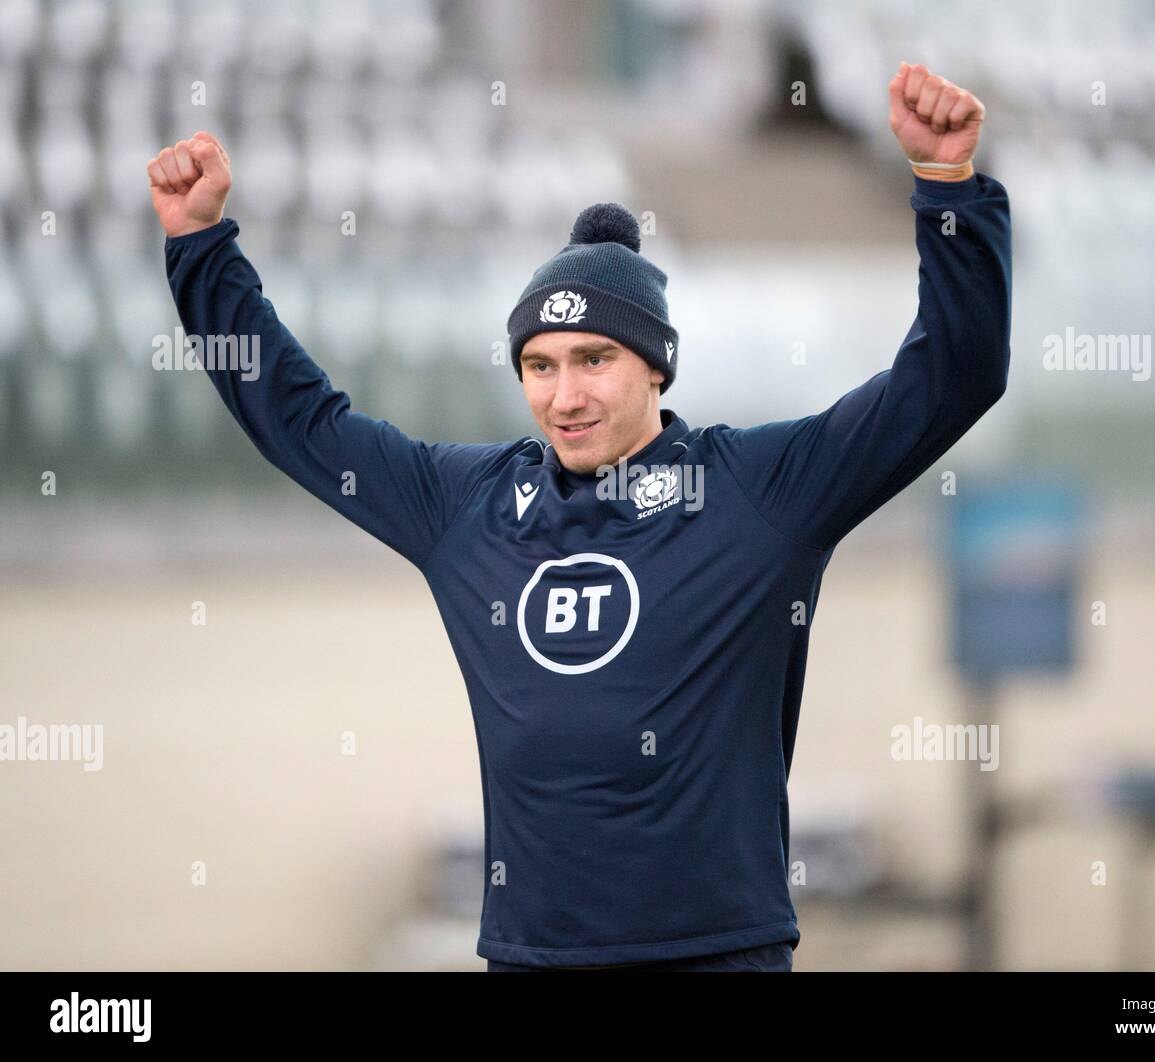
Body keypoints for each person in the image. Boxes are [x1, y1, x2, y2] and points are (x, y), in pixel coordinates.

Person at [149, 61, 1009, 972]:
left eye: (595, 358)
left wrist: (946, 188)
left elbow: (952, 377)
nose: (565, 396)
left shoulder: (761, 491)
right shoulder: (466, 506)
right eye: (540, 365)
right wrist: (202, 247)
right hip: (530, 960)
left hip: (716, 957)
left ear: (655, 367)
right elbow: (304, 423)